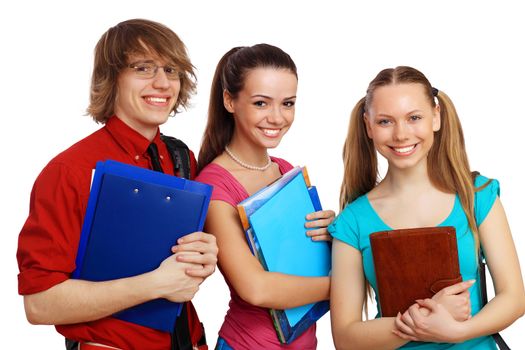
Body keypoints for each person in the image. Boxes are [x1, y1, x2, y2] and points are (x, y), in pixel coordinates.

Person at [16, 19, 218, 350]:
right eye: (143, 68)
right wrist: (155, 284)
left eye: (171, 70)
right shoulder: (69, 170)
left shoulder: (181, 157)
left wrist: (203, 257)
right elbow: (39, 304)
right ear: (112, 79)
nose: (162, 83)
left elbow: (175, 264)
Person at [328, 66, 525, 349]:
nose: (401, 134)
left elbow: (514, 298)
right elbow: (346, 338)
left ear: (436, 117)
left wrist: (456, 332)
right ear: (368, 126)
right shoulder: (352, 222)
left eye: (414, 118)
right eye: (385, 121)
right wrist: (423, 319)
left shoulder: (477, 196)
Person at [195, 44, 334, 349]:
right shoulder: (215, 186)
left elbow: (301, 262)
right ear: (230, 100)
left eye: (288, 103)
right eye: (261, 103)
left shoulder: (285, 171)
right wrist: (344, 286)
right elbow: (255, 288)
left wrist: (331, 236)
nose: (277, 117)